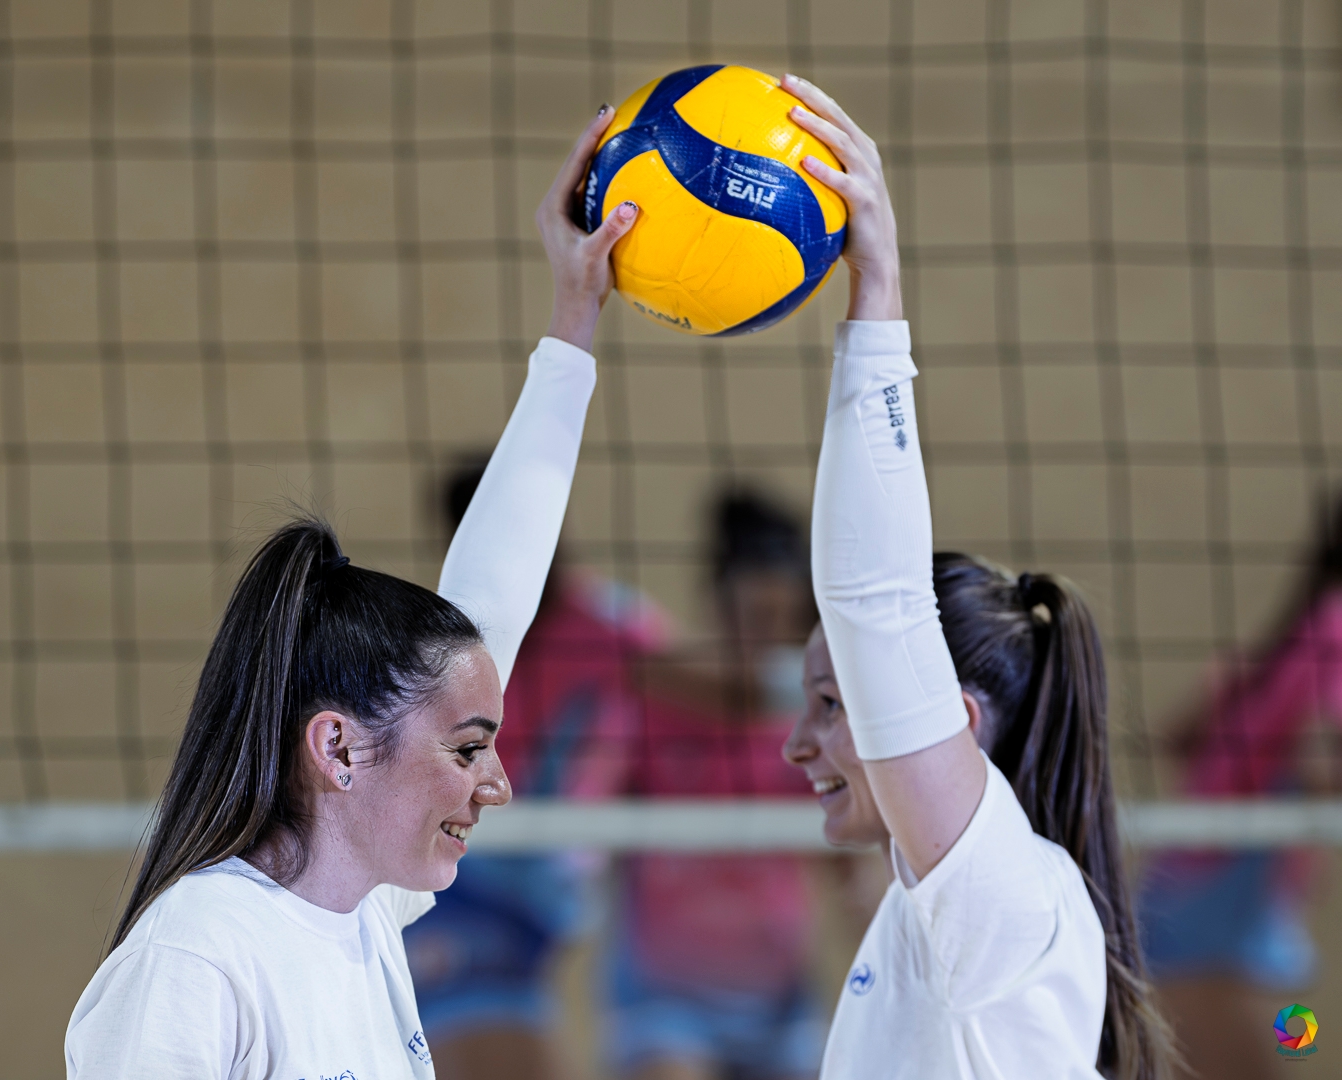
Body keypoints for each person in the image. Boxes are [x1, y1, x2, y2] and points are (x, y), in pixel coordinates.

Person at [64, 104, 642, 1078]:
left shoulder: (363, 911)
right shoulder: (197, 958)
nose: (496, 785)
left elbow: (492, 606)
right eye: (468, 749)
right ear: (336, 748)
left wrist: (573, 321)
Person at [774, 73, 1177, 1079]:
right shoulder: (942, 910)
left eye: (833, 701)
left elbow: (877, 605)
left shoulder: (1009, 889)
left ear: (952, 718)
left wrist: (878, 289)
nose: (794, 743)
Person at [404, 460, 670, 1080]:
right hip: (463, 889)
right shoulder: (443, 645)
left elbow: (713, 690)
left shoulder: (610, 625)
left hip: (542, 899)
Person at [606, 490, 823, 1080]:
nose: (766, 638)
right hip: (666, 999)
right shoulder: (651, 700)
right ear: (719, 605)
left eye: (782, 620)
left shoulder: (808, 720)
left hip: (780, 1000)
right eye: (754, 617)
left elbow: (851, 866)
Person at [1136, 487, 1342, 1080]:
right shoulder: (1332, 627)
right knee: (1275, 1044)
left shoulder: (1296, 631)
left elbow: (1177, 737)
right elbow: (1321, 762)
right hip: (1224, 889)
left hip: (1209, 880)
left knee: (1273, 1031)